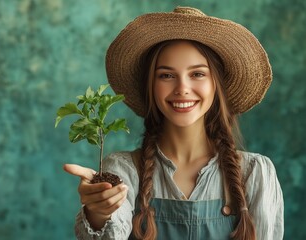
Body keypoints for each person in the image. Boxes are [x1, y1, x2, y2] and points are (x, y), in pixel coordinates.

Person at [64, 6, 284, 240]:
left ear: (216, 85)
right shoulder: (122, 171)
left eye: (197, 74)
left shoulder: (255, 173)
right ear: (151, 85)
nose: (182, 89)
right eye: (166, 75)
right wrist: (98, 212)